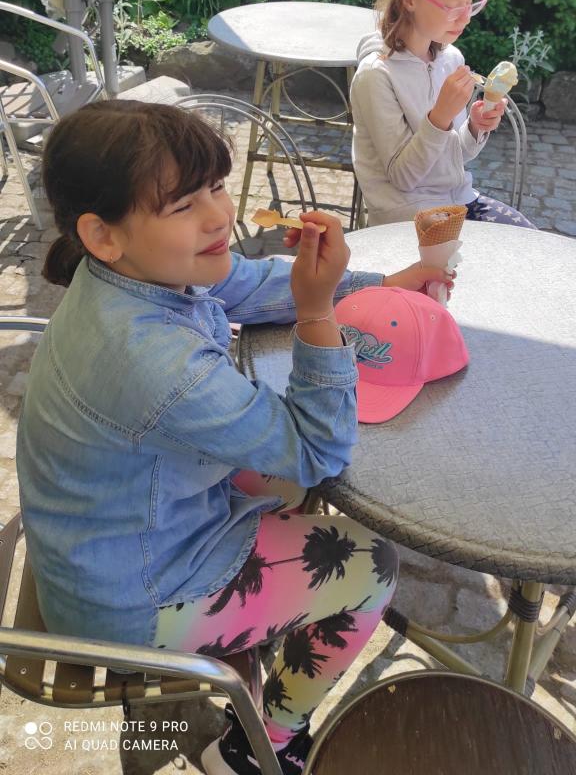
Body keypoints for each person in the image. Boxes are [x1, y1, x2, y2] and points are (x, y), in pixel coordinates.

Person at [16, 100, 453, 775]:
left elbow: (241, 284)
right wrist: (316, 312)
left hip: (105, 544)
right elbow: (318, 450)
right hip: (132, 600)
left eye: (216, 186)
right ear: (102, 234)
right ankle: (259, 744)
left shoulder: (130, 274)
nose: (219, 216)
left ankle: (260, 648)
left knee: (281, 481)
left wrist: (376, 287)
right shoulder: (153, 360)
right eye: (182, 204)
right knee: (370, 565)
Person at [350, 0, 535, 228]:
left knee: (529, 239)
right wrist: (440, 117)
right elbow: (403, 177)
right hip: (408, 218)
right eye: (452, 7)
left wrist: (474, 127)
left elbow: (455, 156)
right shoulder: (376, 75)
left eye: (470, 4)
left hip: (457, 201)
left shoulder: (450, 59)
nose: (465, 18)